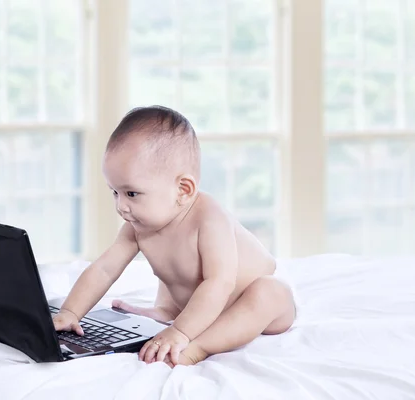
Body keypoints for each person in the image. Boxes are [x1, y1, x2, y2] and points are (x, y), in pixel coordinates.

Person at [52, 105, 296, 367]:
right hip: (197, 308)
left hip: (250, 308)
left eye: (131, 193)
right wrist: (70, 311)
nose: (120, 206)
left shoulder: (210, 218)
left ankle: (200, 346)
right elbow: (103, 269)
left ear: (183, 189)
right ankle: (167, 312)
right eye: (115, 192)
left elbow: (220, 283)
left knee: (270, 292)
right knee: (172, 264)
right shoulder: (139, 226)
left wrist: (180, 332)